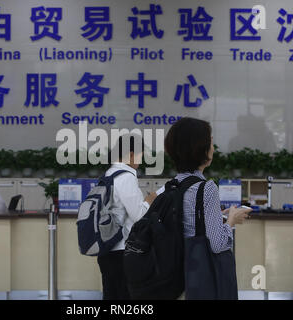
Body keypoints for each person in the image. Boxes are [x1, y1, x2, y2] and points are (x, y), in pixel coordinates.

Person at [163, 117, 252, 298]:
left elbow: (188, 223)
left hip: (179, 273)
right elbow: (218, 244)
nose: (213, 148)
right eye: (210, 142)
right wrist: (231, 220)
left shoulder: (173, 185)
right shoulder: (206, 188)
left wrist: (217, 215)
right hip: (203, 275)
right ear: (200, 149)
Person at [98, 134, 157, 300]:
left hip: (107, 247)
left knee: (111, 295)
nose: (141, 159)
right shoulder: (125, 177)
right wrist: (149, 201)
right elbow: (139, 215)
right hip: (122, 250)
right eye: (140, 154)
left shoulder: (109, 174)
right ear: (131, 154)